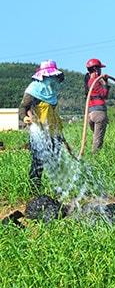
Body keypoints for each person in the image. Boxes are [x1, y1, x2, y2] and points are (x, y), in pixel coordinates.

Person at [18, 59, 66, 194]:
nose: (53, 79)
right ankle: (34, 190)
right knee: (38, 163)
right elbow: (23, 107)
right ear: (43, 76)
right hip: (39, 133)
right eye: (50, 77)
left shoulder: (52, 92)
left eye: (54, 77)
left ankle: (57, 190)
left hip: (55, 132)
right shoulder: (34, 90)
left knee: (56, 161)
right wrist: (25, 117)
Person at [84, 58, 110, 153]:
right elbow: (104, 94)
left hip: (90, 113)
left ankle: (94, 155)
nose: (100, 71)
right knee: (98, 140)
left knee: (96, 136)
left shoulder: (88, 81)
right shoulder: (94, 81)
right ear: (96, 69)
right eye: (99, 69)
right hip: (99, 113)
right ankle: (95, 159)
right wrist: (105, 82)